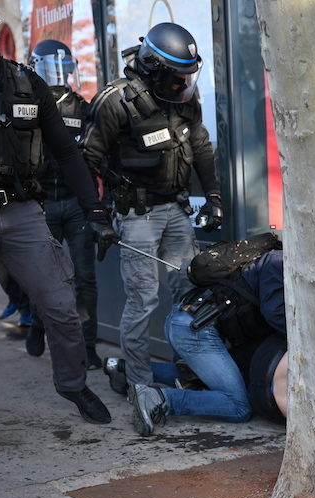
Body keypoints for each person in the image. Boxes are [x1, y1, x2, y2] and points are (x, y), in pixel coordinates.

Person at [0, 0, 118, 461]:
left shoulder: (27, 81)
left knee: (61, 306)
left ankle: (73, 385)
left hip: (23, 213)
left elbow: (67, 153)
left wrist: (94, 212)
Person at [81, 22, 223, 390]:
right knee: (142, 300)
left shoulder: (183, 98)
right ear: (154, 67)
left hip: (176, 210)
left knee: (190, 292)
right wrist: (96, 215)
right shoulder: (115, 101)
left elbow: (202, 147)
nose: (182, 84)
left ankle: (190, 372)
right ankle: (140, 384)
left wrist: (214, 197)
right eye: (176, 77)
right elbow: (85, 161)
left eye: (186, 77)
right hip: (137, 215)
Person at [129, 249, 287, 434]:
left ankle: (122, 369)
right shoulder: (278, 262)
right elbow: (276, 314)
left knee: (206, 377)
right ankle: (160, 398)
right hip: (197, 330)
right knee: (239, 406)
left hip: (187, 321)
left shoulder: (266, 257)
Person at [24, 39, 101, 368]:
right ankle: (38, 322)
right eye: (50, 68)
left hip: (74, 204)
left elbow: (94, 155)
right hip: (42, 205)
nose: (57, 75)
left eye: (62, 68)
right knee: (44, 276)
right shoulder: (28, 106)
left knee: (85, 278)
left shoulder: (82, 108)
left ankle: (88, 347)